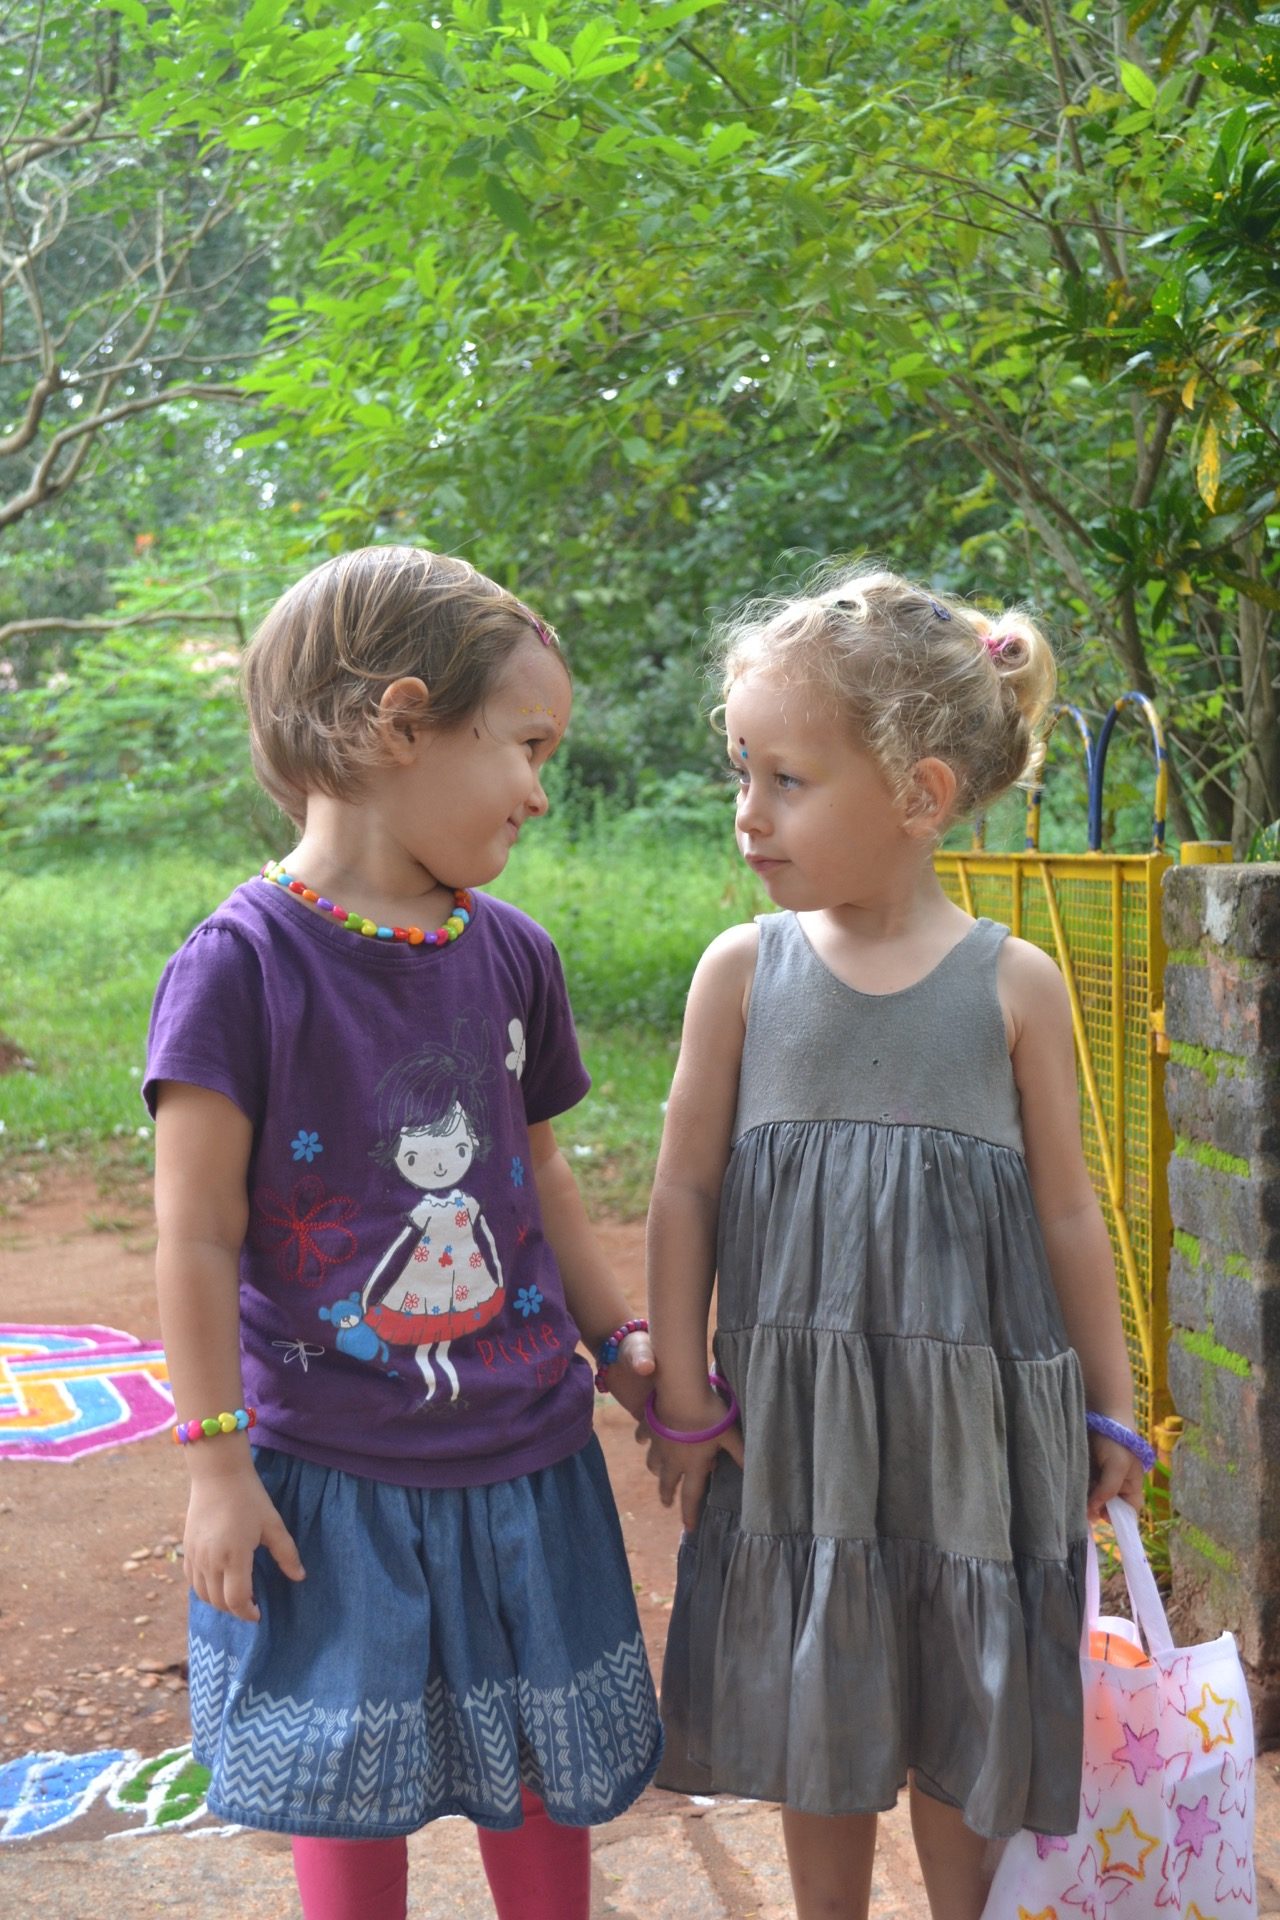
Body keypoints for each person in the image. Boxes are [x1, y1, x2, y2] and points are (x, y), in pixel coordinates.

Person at [146, 547, 662, 1920]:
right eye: (527, 746)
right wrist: (216, 1464)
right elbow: (194, 1238)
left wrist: (621, 1343)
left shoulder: (516, 955)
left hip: (528, 1460)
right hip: (329, 1478)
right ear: (403, 722)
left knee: (541, 1769)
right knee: (346, 1777)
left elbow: (541, 1175)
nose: (541, 791)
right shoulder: (240, 967)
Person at [643, 567, 1148, 1920]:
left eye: (788, 779)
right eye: (741, 771)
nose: (749, 811)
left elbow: (1068, 1213)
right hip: (801, 1431)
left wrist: (1111, 1402)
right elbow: (684, 1190)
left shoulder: (1015, 985)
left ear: (921, 795)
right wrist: (683, 1390)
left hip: (972, 1431)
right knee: (822, 1692)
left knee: (963, 1696)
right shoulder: (741, 973)